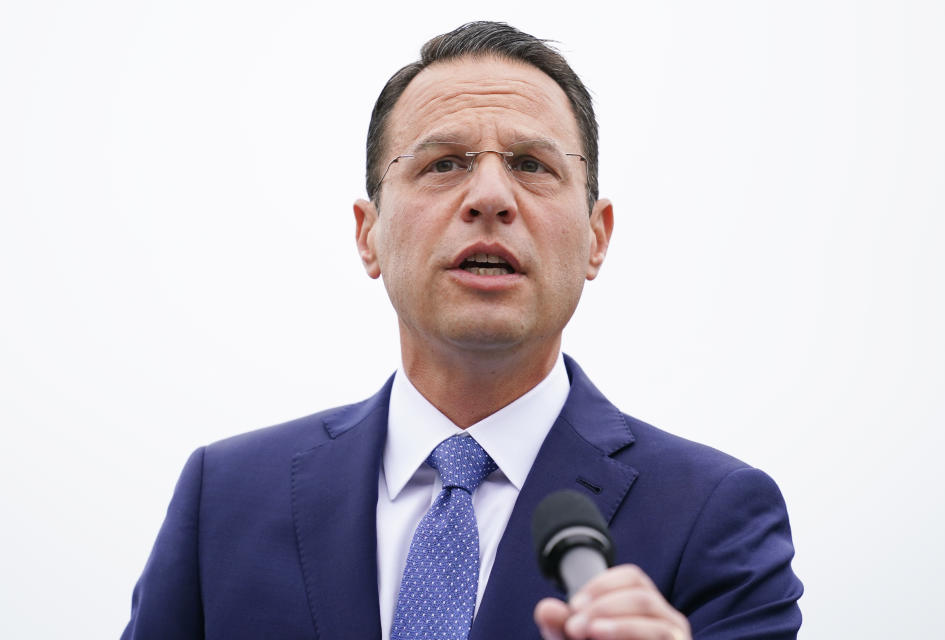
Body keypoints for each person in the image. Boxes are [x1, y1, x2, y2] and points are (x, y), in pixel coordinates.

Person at [122, 21, 802, 640]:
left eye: (532, 165)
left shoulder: (715, 514)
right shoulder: (226, 498)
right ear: (369, 236)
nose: (490, 197)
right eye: (444, 163)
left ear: (597, 238)